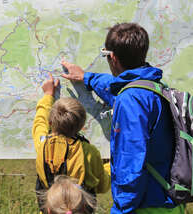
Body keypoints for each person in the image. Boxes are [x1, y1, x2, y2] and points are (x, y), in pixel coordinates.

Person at [61, 23, 182, 213]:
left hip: (145, 206)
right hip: (168, 202)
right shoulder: (153, 88)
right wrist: (87, 77)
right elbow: (116, 87)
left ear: (113, 58)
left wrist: (120, 210)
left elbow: (131, 162)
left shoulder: (130, 100)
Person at [33, 73, 110, 213]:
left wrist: (48, 95)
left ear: (51, 123)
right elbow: (102, 185)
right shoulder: (89, 151)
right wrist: (111, 166)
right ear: (81, 126)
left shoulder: (42, 144)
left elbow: (40, 122)